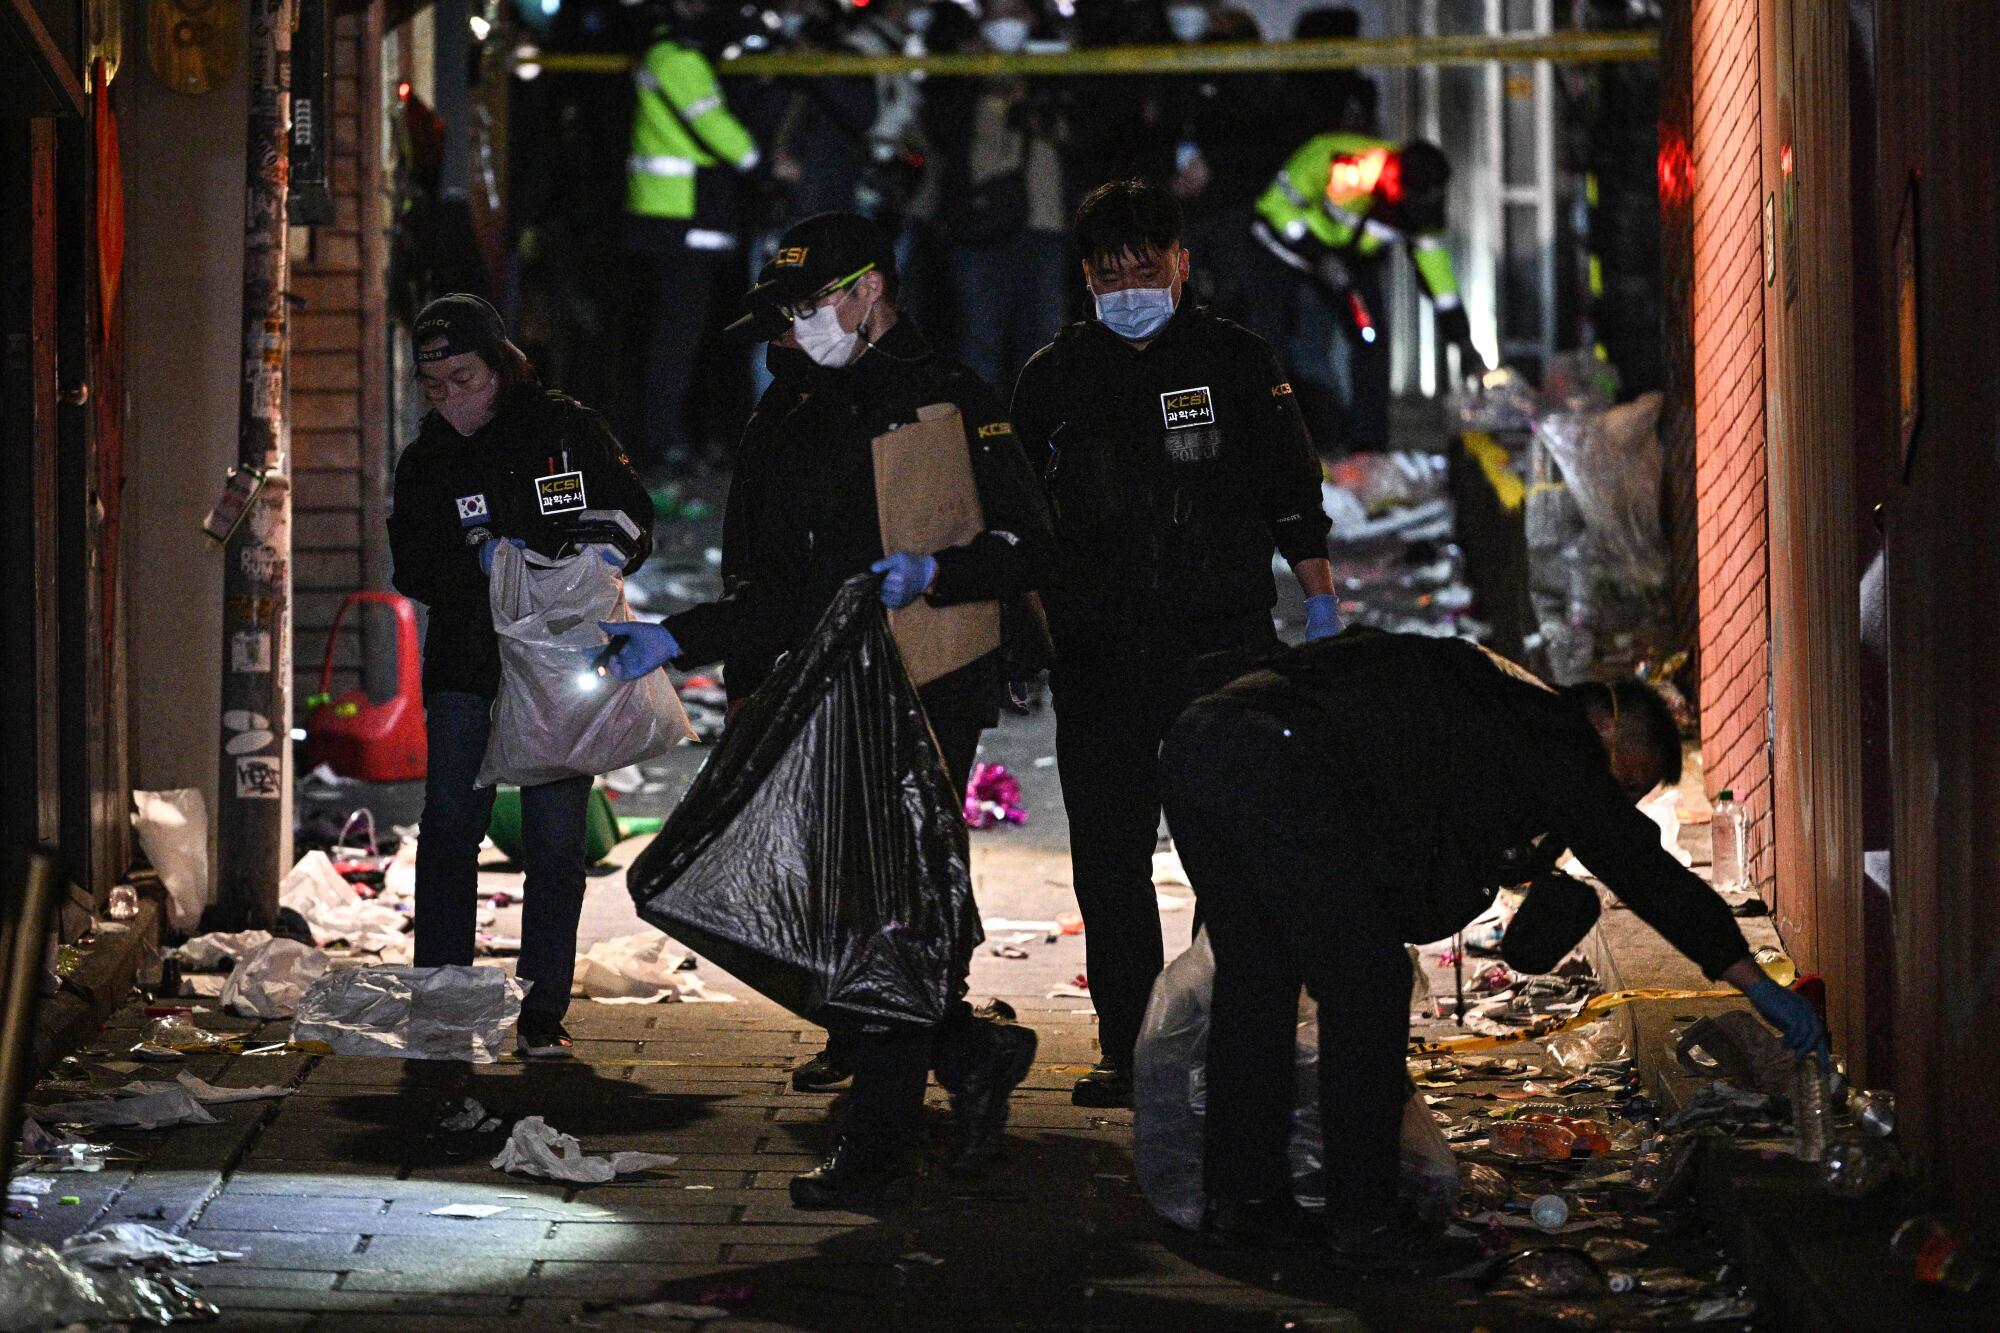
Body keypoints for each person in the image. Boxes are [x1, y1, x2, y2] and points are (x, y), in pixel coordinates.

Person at [600, 213, 1061, 1207]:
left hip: (925, 683)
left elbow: (1031, 545)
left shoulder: (947, 398)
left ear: (866, 291)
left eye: (810, 306)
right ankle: (968, 1052)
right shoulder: (793, 412)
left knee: (887, 904)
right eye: (785, 314)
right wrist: (674, 639)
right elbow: (775, 586)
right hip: (819, 685)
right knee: (826, 900)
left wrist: (936, 572)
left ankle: (879, 1142)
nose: (796, 328)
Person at [1158, 630, 1830, 1264]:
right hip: (1276, 758)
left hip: (1201, 744)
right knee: (1367, 981)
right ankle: (1365, 1219)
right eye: (1627, 781)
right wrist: (1751, 978)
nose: (1618, 797)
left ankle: (1243, 1203)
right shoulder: (1554, 735)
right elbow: (1636, 863)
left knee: (1260, 978)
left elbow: (1422, 818)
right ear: (1604, 727)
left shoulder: (1487, 707)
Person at [1009, 180, 1340, 1109]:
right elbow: (1019, 519)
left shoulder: (1235, 361)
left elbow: (1292, 493)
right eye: (1109, 274)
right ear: (1085, 279)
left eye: (1145, 269)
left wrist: (1320, 608)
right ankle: (1127, 1047)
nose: (1128, 288)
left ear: (1182, 264)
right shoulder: (1053, 380)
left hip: (1221, 645)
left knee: (1226, 847)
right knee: (1109, 859)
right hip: (1101, 653)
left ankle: (1208, 1034)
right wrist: (1023, 632)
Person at [387, 294, 655, 1059]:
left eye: (464, 379)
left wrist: (591, 553)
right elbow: (413, 564)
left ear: (500, 365)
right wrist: (481, 567)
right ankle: (442, 1001)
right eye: (433, 387)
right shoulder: (428, 459)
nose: (451, 400)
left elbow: (632, 515)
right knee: (449, 828)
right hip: (467, 662)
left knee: (556, 839)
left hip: (559, 666)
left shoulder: (564, 428)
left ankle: (542, 1011)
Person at [1246, 135, 1481, 454]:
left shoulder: (1423, 207)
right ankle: (1271, 443)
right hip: (1283, 250)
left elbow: (1436, 272)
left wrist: (1463, 341)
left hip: (1349, 261)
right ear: (1396, 179)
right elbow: (1277, 205)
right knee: (1271, 343)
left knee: (1371, 340)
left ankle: (1367, 449)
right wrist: (1319, 256)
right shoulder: (1347, 166)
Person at [623, 5, 762, 473]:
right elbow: (714, 126)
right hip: (680, 215)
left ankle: (674, 439)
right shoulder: (679, 59)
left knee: (679, 333)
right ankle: (666, 444)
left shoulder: (665, 53)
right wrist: (757, 160)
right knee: (679, 336)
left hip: (674, 213)